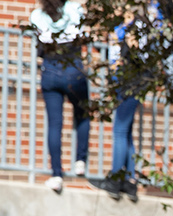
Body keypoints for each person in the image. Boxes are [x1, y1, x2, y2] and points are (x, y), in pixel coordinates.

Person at [88, 9, 149, 202]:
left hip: (132, 86)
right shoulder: (127, 27)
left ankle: (115, 179)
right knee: (127, 134)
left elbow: (138, 53)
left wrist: (128, 39)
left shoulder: (136, 27)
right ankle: (129, 182)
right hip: (127, 85)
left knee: (120, 132)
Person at [31, 0, 90, 193]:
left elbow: (39, 47)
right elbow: (85, 36)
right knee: (82, 114)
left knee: (55, 124)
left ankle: (56, 174)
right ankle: (80, 160)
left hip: (50, 71)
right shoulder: (74, 9)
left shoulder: (37, 16)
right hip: (73, 69)